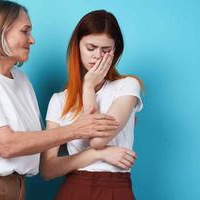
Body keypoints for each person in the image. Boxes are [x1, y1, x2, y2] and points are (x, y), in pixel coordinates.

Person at [0, 1, 120, 199]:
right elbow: (5, 145)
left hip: (15, 188)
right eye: (25, 31)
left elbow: (35, 142)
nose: (32, 39)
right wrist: (76, 129)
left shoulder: (21, 79)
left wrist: (114, 118)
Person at [40, 10, 143, 200]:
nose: (98, 56)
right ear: (77, 46)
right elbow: (48, 169)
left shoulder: (127, 86)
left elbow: (98, 140)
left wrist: (88, 87)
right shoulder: (60, 100)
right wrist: (100, 155)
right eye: (91, 48)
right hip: (75, 187)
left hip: (115, 187)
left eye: (106, 50)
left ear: (115, 50)